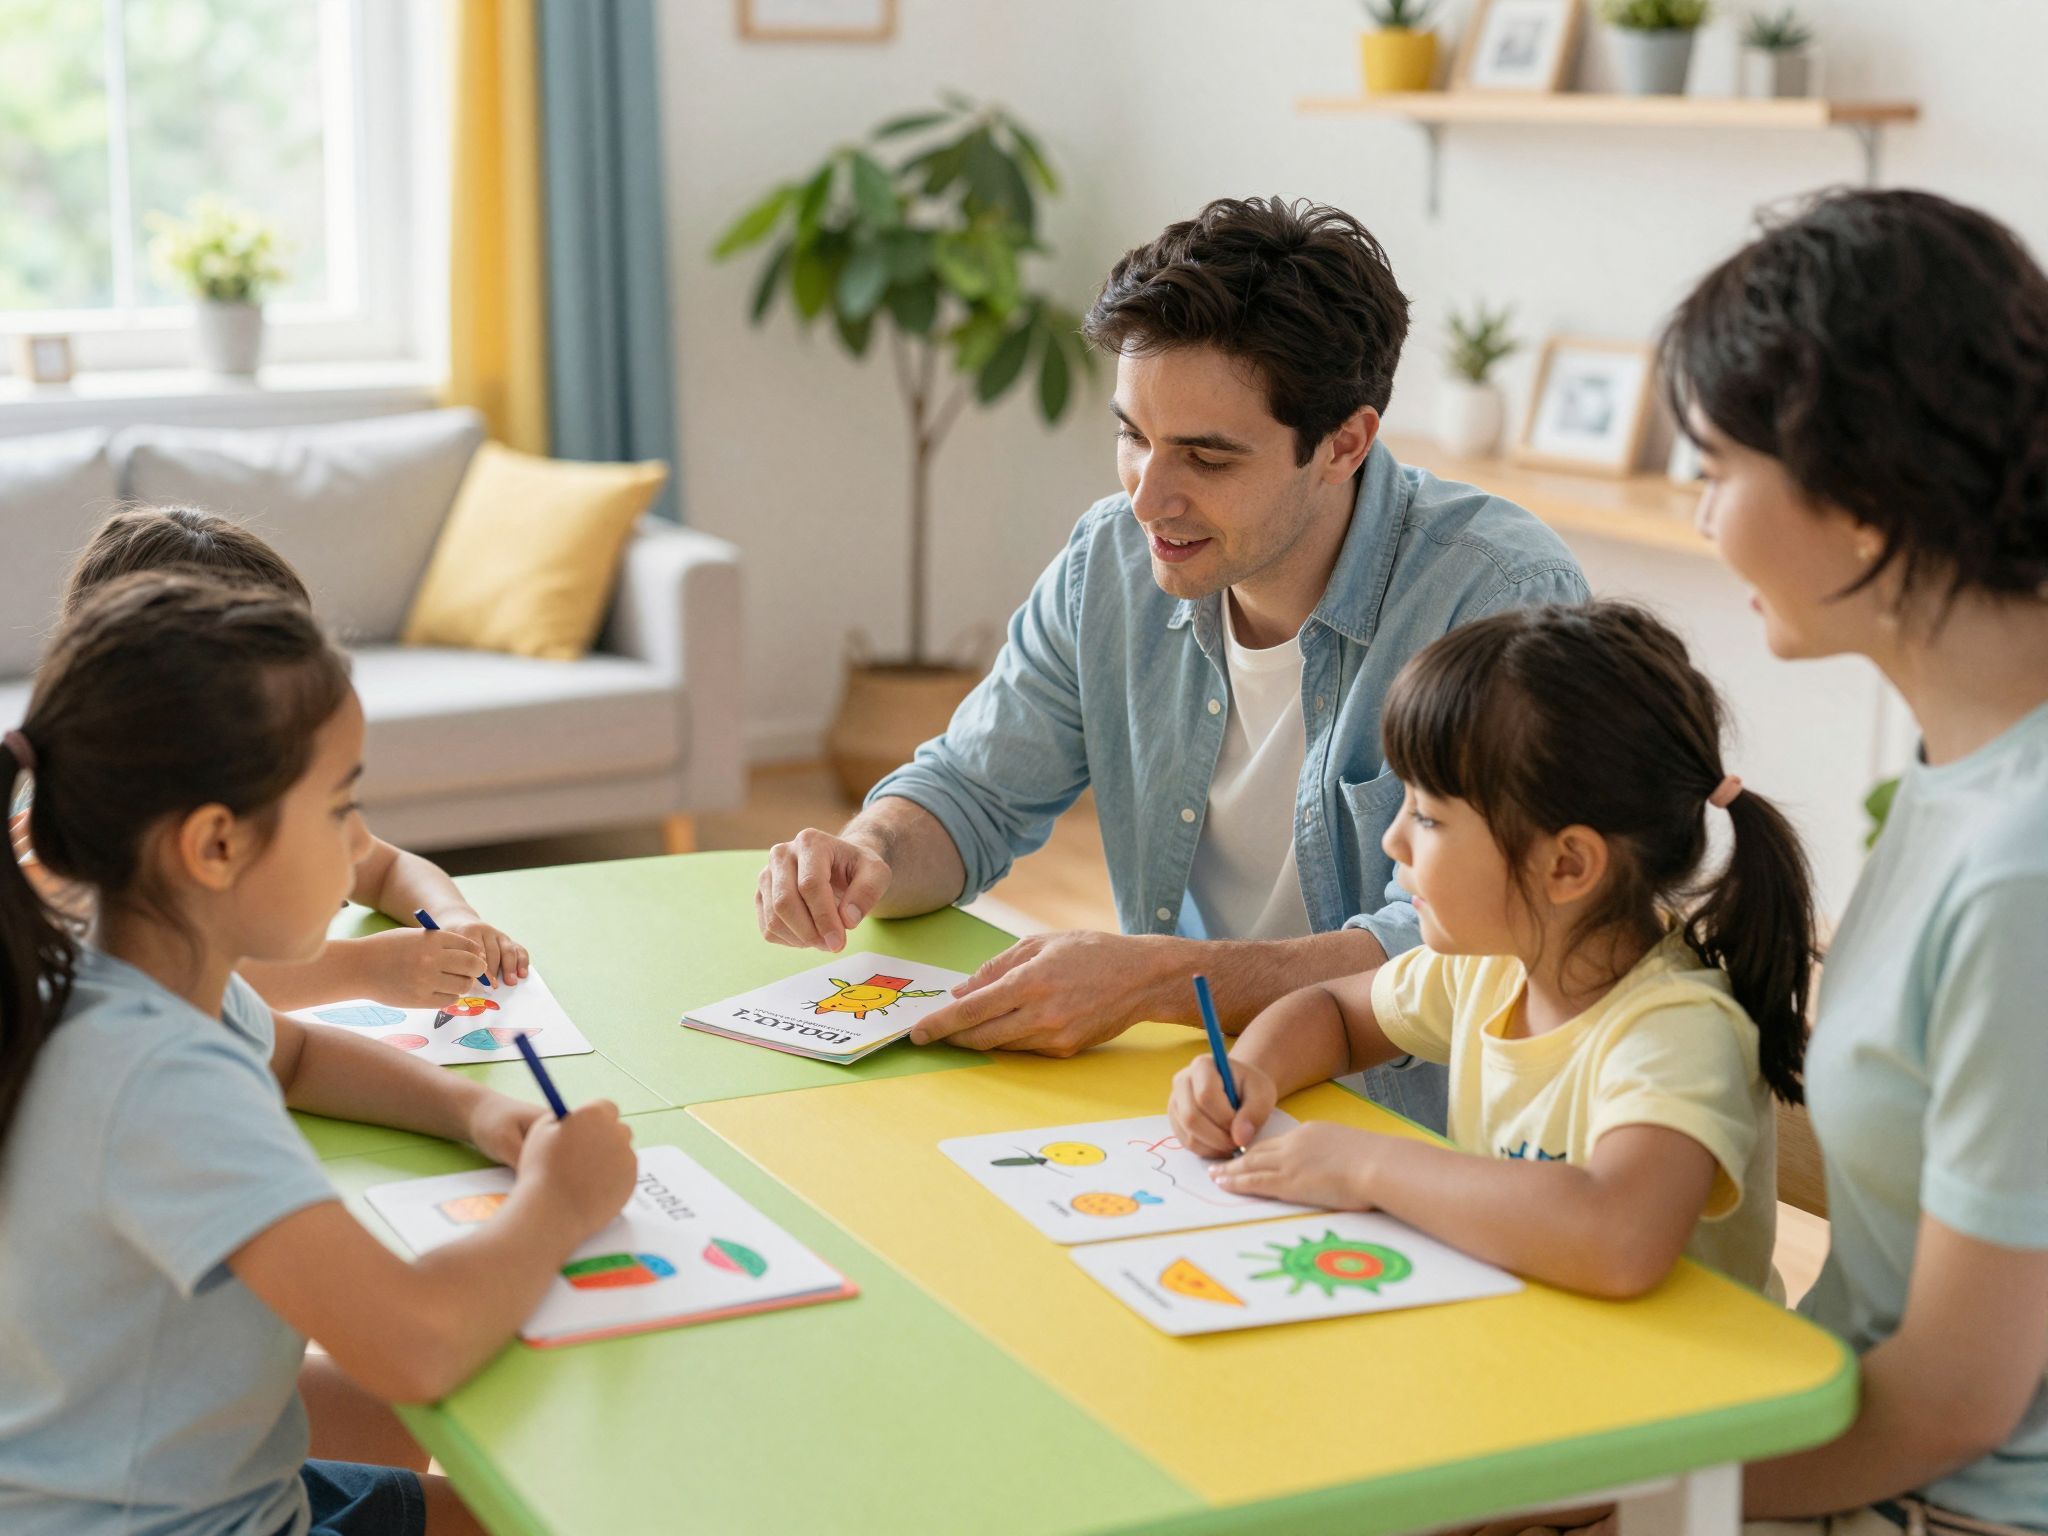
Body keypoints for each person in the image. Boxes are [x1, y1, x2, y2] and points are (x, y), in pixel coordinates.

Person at [756, 196, 1586, 1127]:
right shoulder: (1110, 561)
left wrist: (1156, 980)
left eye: (1206, 458)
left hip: (1421, 1135)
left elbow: (1466, 956)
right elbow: (973, 794)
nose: (1150, 498)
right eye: (1133, 437)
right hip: (1188, 1098)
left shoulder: (1499, 597)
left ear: (1344, 444)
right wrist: (867, 854)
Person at [0, 572, 637, 1536]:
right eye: (340, 807)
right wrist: (562, 1200)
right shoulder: (161, 1082)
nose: (358, 847)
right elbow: (413, 1343)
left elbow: (293, 1058)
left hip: (190, 1478)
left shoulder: (131, 992)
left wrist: (473, 1111)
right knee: (544, 1495)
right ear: (214, 846)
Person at [1662, 188, 2048, 1533]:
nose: (1701, 514)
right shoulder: (1960, 764)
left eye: (1716, 467)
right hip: (1841, 1428)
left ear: (1865, 500)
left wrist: (1637, 1499)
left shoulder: (2024, 871)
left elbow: (1954, 1400)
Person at [1170, 601, 1814, 1299]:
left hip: (1687, 1394)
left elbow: (1619, 1238)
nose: (1394, 840)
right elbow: (1329, 1012)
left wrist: (1369, 1168)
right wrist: (1248, 1072)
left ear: (1567, 865)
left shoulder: (1675, 1032)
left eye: (1427, 816)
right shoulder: (1489, 969)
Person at [20, 504, 531, 1011]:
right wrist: (365, 968)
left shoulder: (249, 782)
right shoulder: (86, 833)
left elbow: (383, 865)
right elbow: (193, 984)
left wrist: (453, 918)